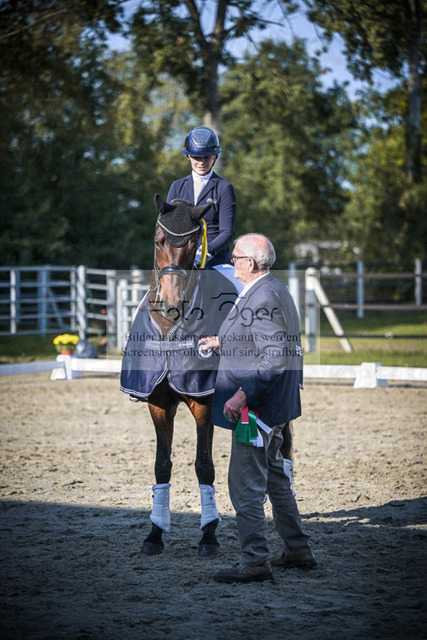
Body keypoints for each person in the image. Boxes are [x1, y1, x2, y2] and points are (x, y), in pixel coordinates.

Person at [199, 233, 317, 584]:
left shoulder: (262, 297)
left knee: (245, 485)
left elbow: (275, 356)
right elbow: (264, 340)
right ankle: (298, 549)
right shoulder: (274, 289)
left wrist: (242, 395)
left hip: (255, 411)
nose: (231, 262)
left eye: (235, 257)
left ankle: (255, 560)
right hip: (276, 408)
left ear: (249, 263)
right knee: (277, 480)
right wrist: (223, 341)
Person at [167, 126, 236, 267]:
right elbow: (169, 227)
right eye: (196, 157)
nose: (201, 162)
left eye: (207, 157)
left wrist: (206, 251)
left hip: (215, 261)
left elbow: (227, 232)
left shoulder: (224, 188)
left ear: (214, 157)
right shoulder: (177, 187)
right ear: (188, 156)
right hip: (181, 259)